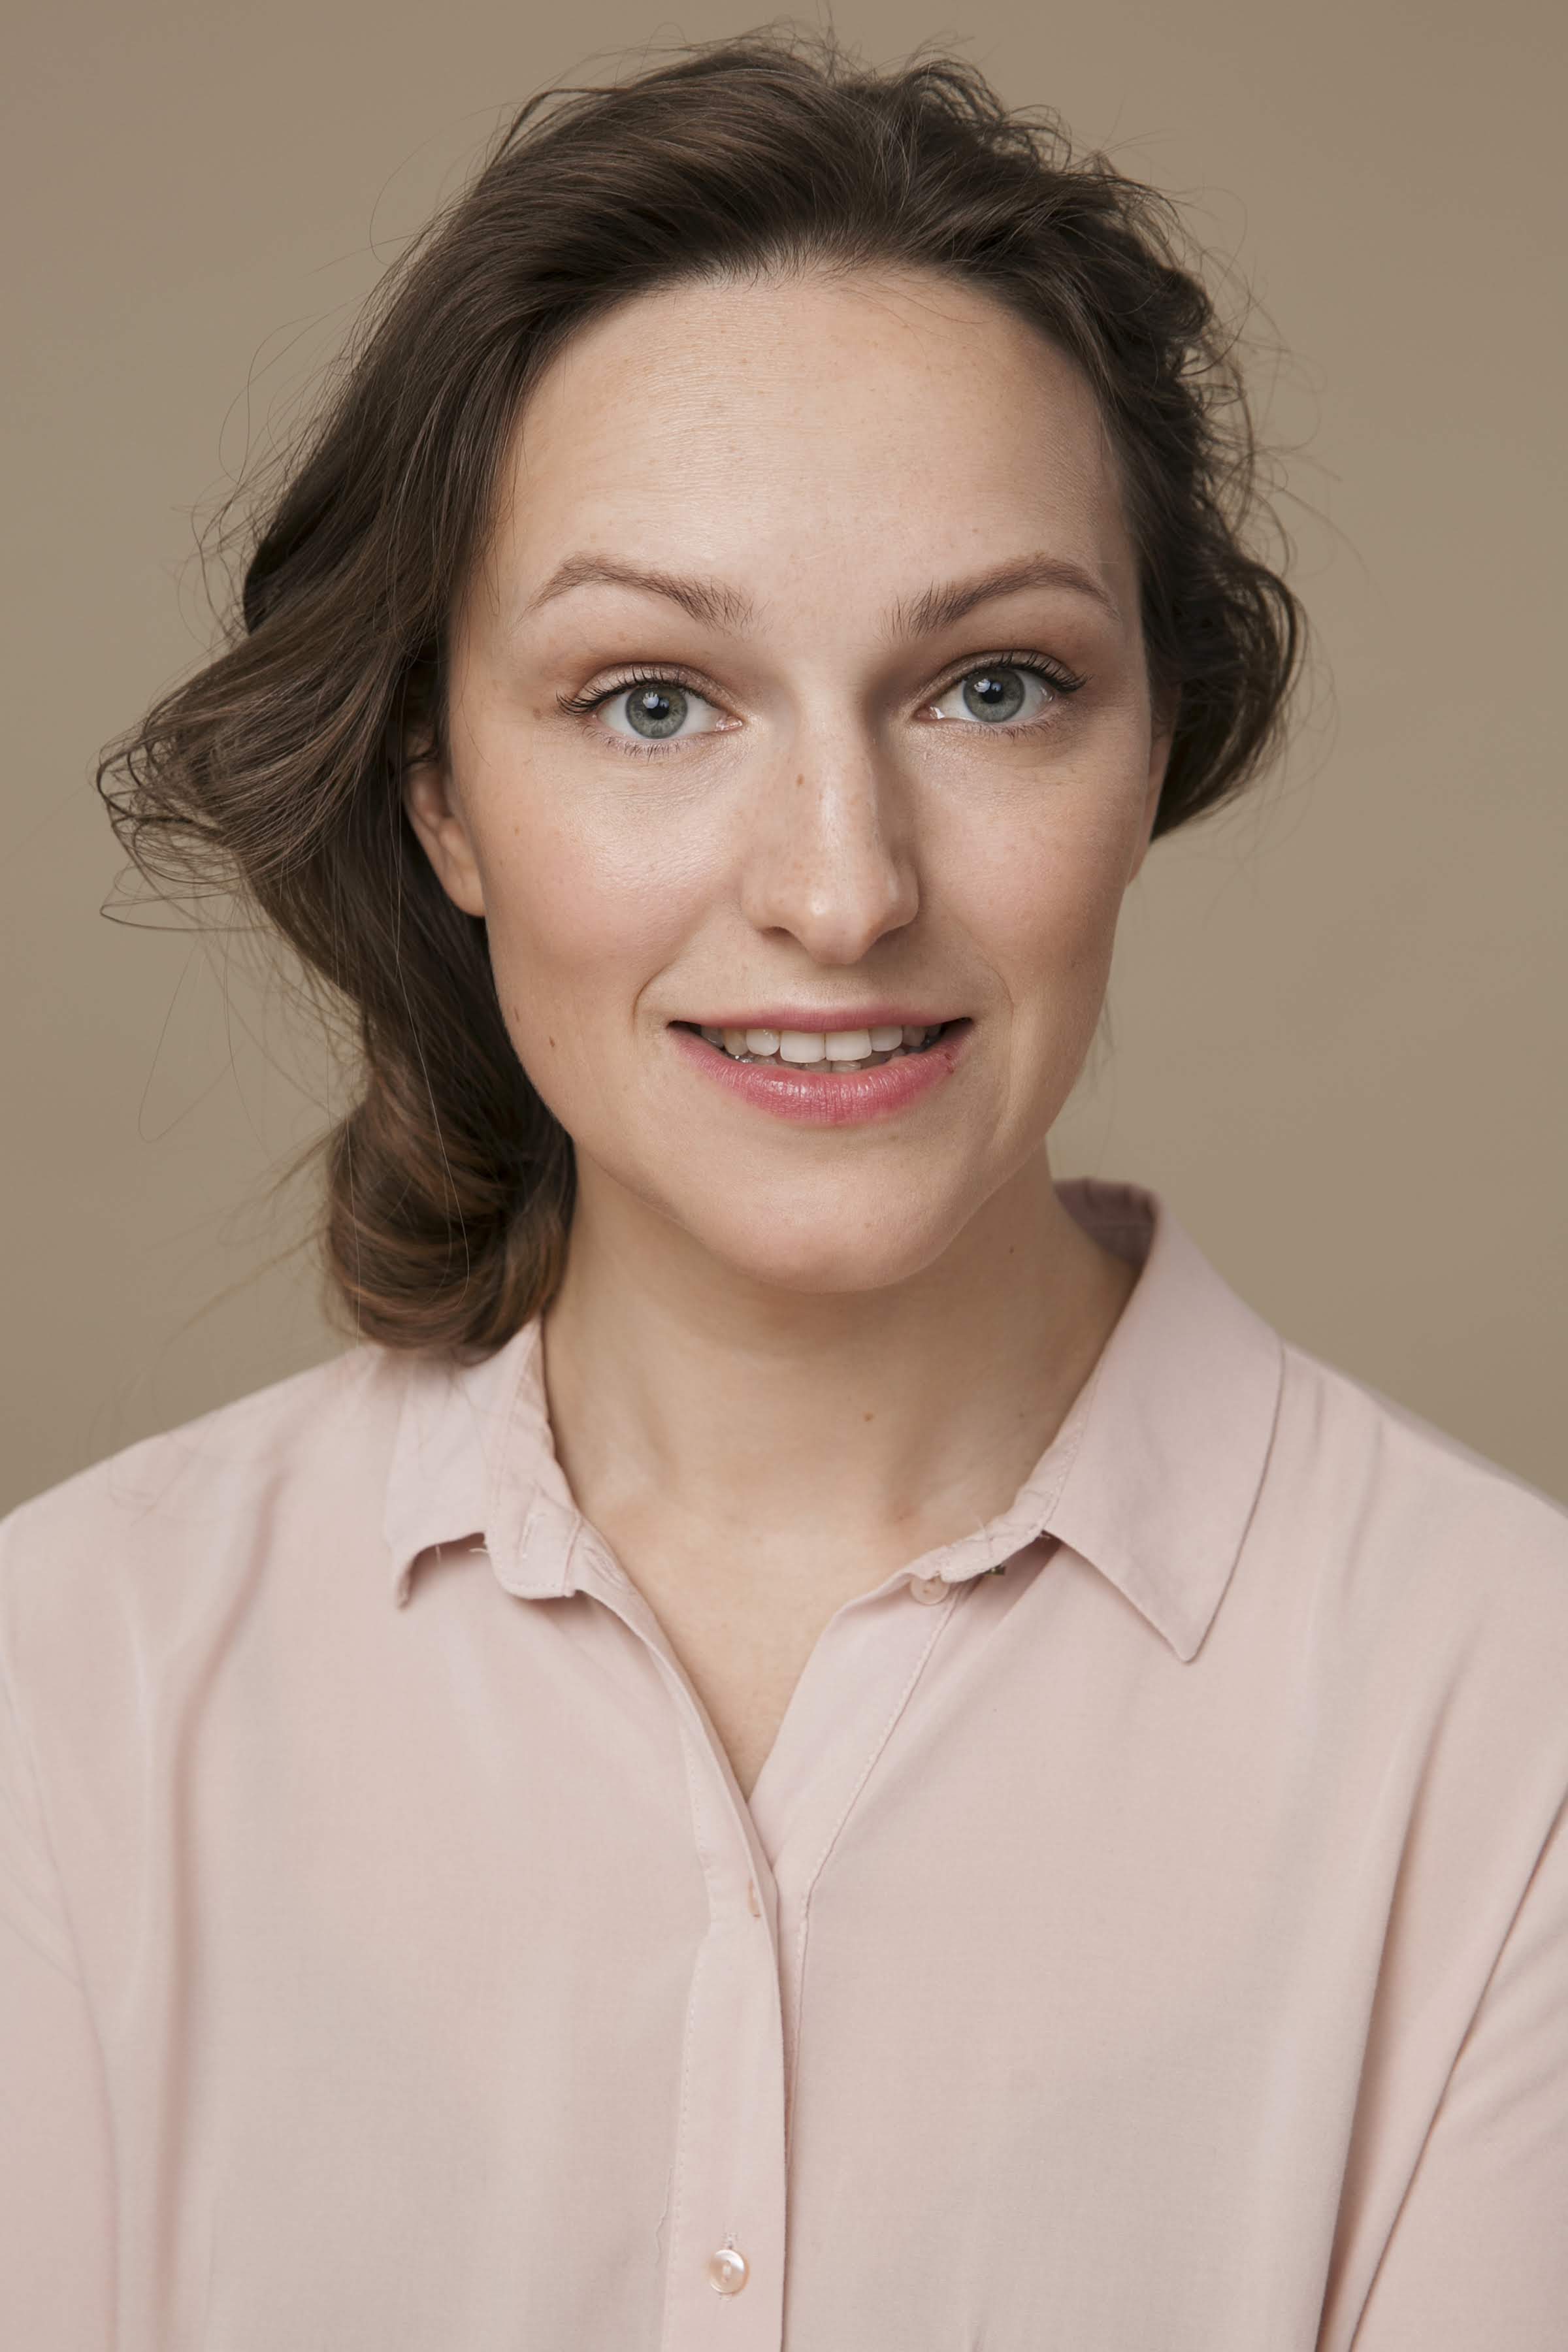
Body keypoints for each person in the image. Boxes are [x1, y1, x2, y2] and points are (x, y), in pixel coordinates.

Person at [3, 32, 1564, 2351]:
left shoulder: (1521, 1735)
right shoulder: (61, 1696)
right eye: (653, 700)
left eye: (994, 687)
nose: (842, 892)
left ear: (1158, 746)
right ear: (440, 795)